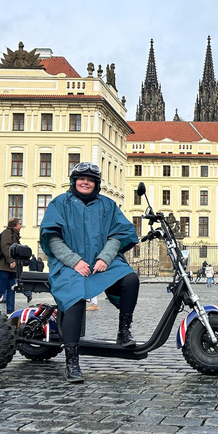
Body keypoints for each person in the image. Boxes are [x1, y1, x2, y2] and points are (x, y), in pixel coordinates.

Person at [39, 162, 139, 383]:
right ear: (74, 181)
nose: (86, 182)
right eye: (81, 178)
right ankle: (72, 362)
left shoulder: (108, 205)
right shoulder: (59, 204)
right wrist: (74, 261)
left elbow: (118, 235)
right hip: (68, 266)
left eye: (90, 180)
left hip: (101, 263)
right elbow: (53, 239)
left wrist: (106, 257)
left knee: (130, 279)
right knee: (74, 300)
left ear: (96, 184)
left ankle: (124, 332)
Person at [0, 218, 23, 314]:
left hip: (10, 268)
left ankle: (10, 311)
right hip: (3, 266)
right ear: (15, 225)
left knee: (12, 289)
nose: (21, 226)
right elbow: (5, 246)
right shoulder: (7, 232)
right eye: (20, 224)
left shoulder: (15, 235)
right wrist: (11, 260)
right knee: (1, 288)